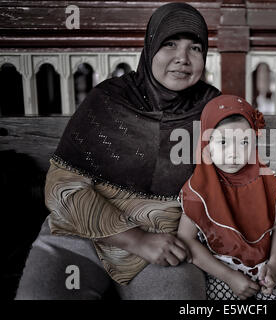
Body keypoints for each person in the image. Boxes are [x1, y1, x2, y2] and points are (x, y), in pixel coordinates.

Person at [15, 2, 221, 300]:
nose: (182, 58)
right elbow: (63, 187)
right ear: (150, 48)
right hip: (81, 233)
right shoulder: (109, 100)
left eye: (195, 48)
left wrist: (259, 251)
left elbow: (240, 185)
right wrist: (136, 239)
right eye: (170, 44)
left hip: (165, 242)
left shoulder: (214, 111)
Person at [177, 95, 276, 300]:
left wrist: (274, 265)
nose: (234, 154)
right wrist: (229, 277)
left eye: (244, 142)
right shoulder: (198, 189)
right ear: (206, 143)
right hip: (220, 269)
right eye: (222, 142)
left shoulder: (267, 182)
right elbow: (186, 239)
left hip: (267, 265)